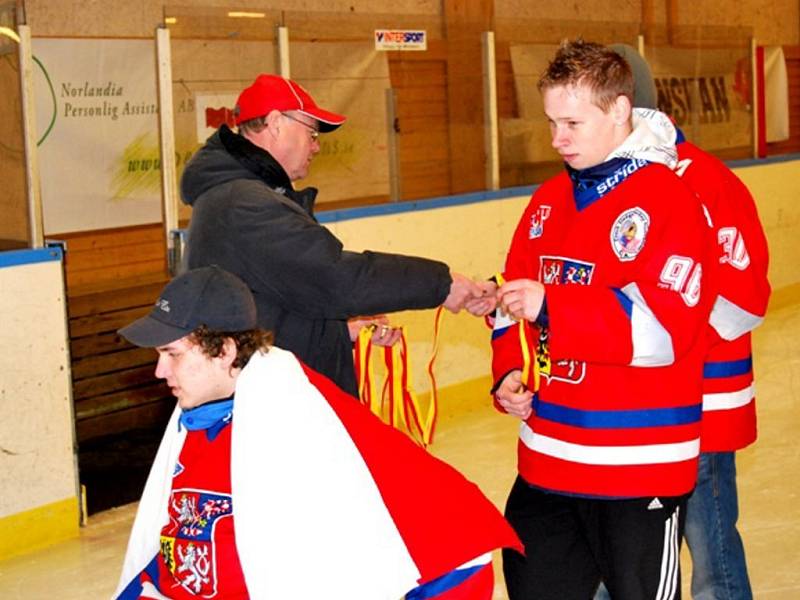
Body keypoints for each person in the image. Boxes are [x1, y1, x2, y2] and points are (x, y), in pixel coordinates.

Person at [112, 266, 521, 600]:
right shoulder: (194, 423)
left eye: (172, 354)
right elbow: (167, 554)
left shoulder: (310, 424)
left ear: (225, 352)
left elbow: (457, 535)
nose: (160, 372)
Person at [475, 40, 717, 599]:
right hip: (547, 460)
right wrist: (509, 371)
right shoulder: (547, 200)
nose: (558, 138)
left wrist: (554, 306)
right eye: (552, 121)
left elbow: (665, 333)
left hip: (636, 468)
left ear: (618, 111)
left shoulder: (669, 200)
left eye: (573, 122)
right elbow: (513, 304)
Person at [180, 73, 484, 398]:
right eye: (311, 132)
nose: (317, 146)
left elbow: (281, 303)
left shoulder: (241, 197)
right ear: (275, 123)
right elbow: (335, 278)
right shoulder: (244, 204)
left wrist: (341, 333)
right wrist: (441, 283)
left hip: (274, 395)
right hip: (275, 409)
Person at [599, 44, 770, 600]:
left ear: (623, 106)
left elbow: (742, 294)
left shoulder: (707, 180)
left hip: (698, 402)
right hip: (628, 406)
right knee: (616, 541)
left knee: (709, 538)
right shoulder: (600, 179)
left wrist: (657, 314)